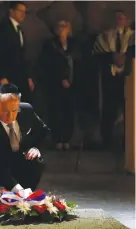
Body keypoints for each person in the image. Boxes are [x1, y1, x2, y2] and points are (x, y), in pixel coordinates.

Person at [93, 10, 134, 149]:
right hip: (110, 78)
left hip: (129, 78)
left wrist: (125, 58)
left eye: (122, 18)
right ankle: (106, 140)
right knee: (108, 109)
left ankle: (128, 141)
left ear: (127, 21)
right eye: (117, 18)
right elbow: (97, 55)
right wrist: (112, 56)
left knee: (129, 110)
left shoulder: (132, 36)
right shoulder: (105, 36)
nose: (120, 21)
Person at [40, 20, 81, 151]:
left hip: (72, 83)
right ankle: (57, 138)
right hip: (55, 84)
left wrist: (70, 79)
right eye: (60, 26)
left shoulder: (74, 44)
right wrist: (61, 78)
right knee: (55, 111)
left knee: (69, 110)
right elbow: (48, 64)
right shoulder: (50, 44)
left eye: (65, 26)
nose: (62, 29)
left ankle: (67, 139)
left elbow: (79, 62)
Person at [0, 1, 35, 104]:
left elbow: (23, 55)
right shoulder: (2, 28)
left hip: (20, 76)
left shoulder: (20, 30)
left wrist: (28, 77)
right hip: (8, 76)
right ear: (11, 11)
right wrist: (2, 76)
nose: (23, 14)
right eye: (20, 11)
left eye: (25, 12)